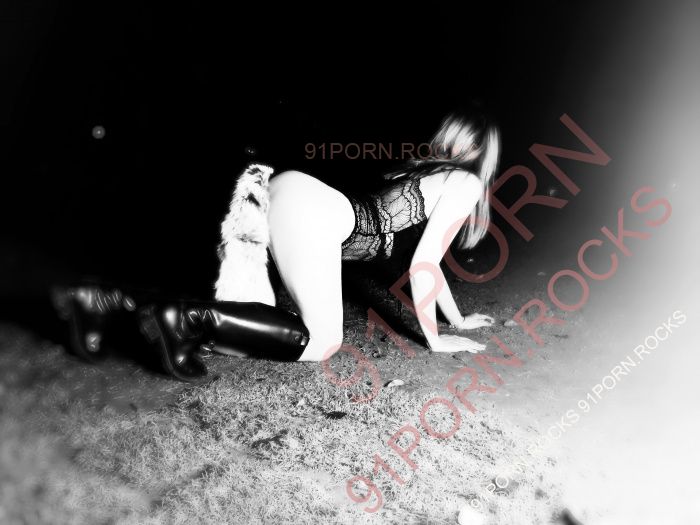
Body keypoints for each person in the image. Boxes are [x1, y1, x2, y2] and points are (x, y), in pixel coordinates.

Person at [52, 109, 500, 380]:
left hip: (289, 191)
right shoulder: (464, 183)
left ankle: (103, 299)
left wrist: (458, 320)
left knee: (238, 331)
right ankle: (184, 319)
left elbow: (431, 264)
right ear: (487, 153)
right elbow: (424, 263)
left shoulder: (426, 172)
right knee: (322, 342)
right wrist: (435, 340)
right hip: (314, 212)